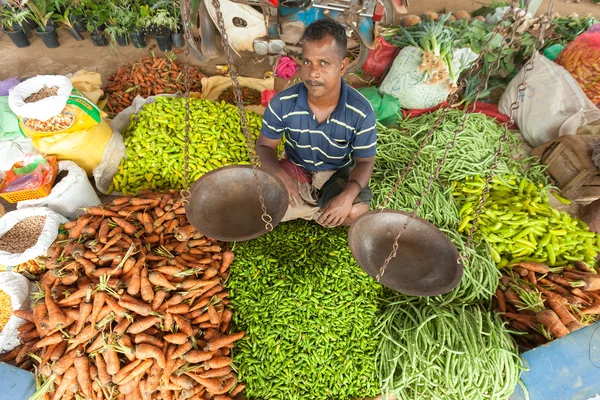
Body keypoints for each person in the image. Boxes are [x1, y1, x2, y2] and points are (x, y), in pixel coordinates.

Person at [257, 18, 377, 227]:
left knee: (357, 212)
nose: (313, 73)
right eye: (307, 62)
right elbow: (265, 146)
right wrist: (278, 173)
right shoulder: (283, 103)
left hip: (336, 173)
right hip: (296, 169)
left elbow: (365, 162)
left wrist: (347, 197)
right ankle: (314, 210)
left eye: (324, 63)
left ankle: (313, 208)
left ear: (342, 66)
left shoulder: (360, 111)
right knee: (261, 203)